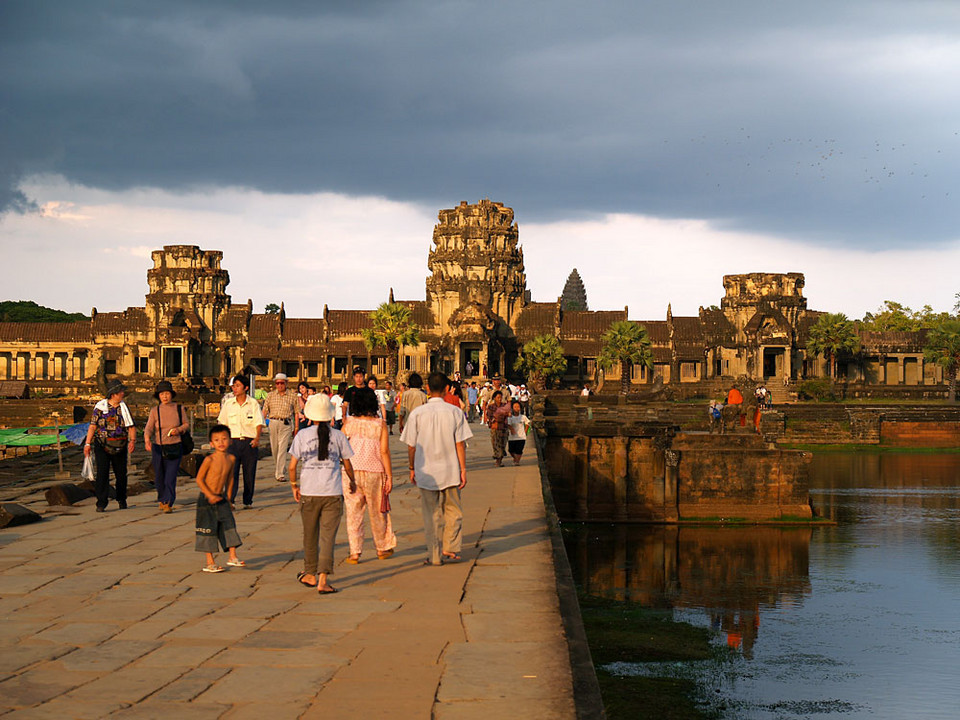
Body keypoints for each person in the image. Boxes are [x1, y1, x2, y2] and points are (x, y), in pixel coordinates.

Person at [400, 372, 473, 566]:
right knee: (453, 511)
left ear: (428, 389)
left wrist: (411, 467)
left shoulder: (417, 413)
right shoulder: (455, 412)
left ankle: (434, 555)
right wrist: (463, 469)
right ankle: (450, 546)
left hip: (426, 471)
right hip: (450, 469)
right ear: (447, 389)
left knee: (430, 514)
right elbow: (460, 444)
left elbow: (411, 445)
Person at [289, 393, 357, 594]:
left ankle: (310, 573)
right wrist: (352, 481)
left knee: (310, 535)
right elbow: (347, 463)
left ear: (310, 415)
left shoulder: (302, 435)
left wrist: (294, 485)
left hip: (309, 492)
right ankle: (323, 580)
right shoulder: (338, 436)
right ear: (330, 415)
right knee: (328, 538)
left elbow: (292, 466)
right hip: (332, 492)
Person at [341, 387, 397, 563]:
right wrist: (389, 476)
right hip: (375, 471)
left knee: (353, 513)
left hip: (351, 473)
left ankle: (354, 552)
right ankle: (382, 548)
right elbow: (384, 451)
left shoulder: (349, 423)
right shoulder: (379, 424)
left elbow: (341, 448)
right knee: (378, 512)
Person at [194, 424, 244, 573]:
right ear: (211, 443)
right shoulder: (209, 459)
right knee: (208, 529)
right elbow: (199, 479)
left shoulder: (231, 458)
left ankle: (232, 556)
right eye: (217, 440)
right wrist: (209, 495)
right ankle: (210, 562)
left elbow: (230, 479)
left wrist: (229, 498)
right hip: (206, 498)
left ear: (230, 441)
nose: (221, 442)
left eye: (224, 439)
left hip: (221, 498)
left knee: (229, 524)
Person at [84, 380, 137, 512]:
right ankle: (101, 502)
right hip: (102, 444)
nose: (123, 394)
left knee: (121, 474)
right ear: (114, 394)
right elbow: (92, 426)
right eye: (121, 392)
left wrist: (133, 441)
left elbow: (131, 426)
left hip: (120, 444)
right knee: (102, 473)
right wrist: (87, 443)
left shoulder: (124, 408)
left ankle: (121, 498)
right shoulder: (100, 408)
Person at [217, 374, 264, 509]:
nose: (234, 388)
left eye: (237, 386)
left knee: (249, 473)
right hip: (233, 442)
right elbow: (223, 422)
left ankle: (247, 500)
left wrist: (257, 439)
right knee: (231, 473)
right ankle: (230, 500)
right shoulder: (228, 404)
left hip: (249, 442)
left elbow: (258, 423)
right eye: (233, 386)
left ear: (246, 388)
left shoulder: (253, 403)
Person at [144, 380, 190, 513]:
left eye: (167, 394)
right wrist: (147, 440)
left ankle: (168, 501)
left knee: (170, 476)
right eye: (162, 394)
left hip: (175, 446)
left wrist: (179, 430)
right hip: (159, 447)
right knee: (159, 476)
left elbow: (186, 424)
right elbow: (148, 428)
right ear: (158, 396)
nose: (165, 396)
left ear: (171, 395)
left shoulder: (179, 409)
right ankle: (161, 498)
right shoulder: (155, 411)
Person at [262, 373, 300, 484]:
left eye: (281, 383)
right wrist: (260, 423)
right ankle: (278, 468)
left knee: (283, 448)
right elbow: (265, 410)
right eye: (277, 383)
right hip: (273, 422)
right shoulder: (270, 395)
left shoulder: (292, 396)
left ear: (286, 383)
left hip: (286, 423)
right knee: (275, 448)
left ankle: (280, 473)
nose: (279, 385)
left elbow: (297, 412)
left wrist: (296, 427)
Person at [484, 390, 510, 467]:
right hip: (495, 426)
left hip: (504, 427)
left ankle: (500, 460)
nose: (499, 399)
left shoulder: (504, 405)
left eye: (500, 397)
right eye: (498, 397)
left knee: (503, 443)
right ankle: (497, 460)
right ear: (494, 398)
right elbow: (490, 416)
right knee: (496, 443)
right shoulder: (491, 406)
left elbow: (508, 414)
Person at [505, 400, 530, 465]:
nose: (517, 408)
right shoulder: (510, 417)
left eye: (518, 407)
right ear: (512, 408)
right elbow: (508, 424)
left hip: (521, 436)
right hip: (512, 437)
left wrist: (526, 431)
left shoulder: (523, 417)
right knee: (511, 450)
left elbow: (528, 423)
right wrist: (512, 429)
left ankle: (517, 461)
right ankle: (516, 459)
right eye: (515, 407)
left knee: (519, 451)